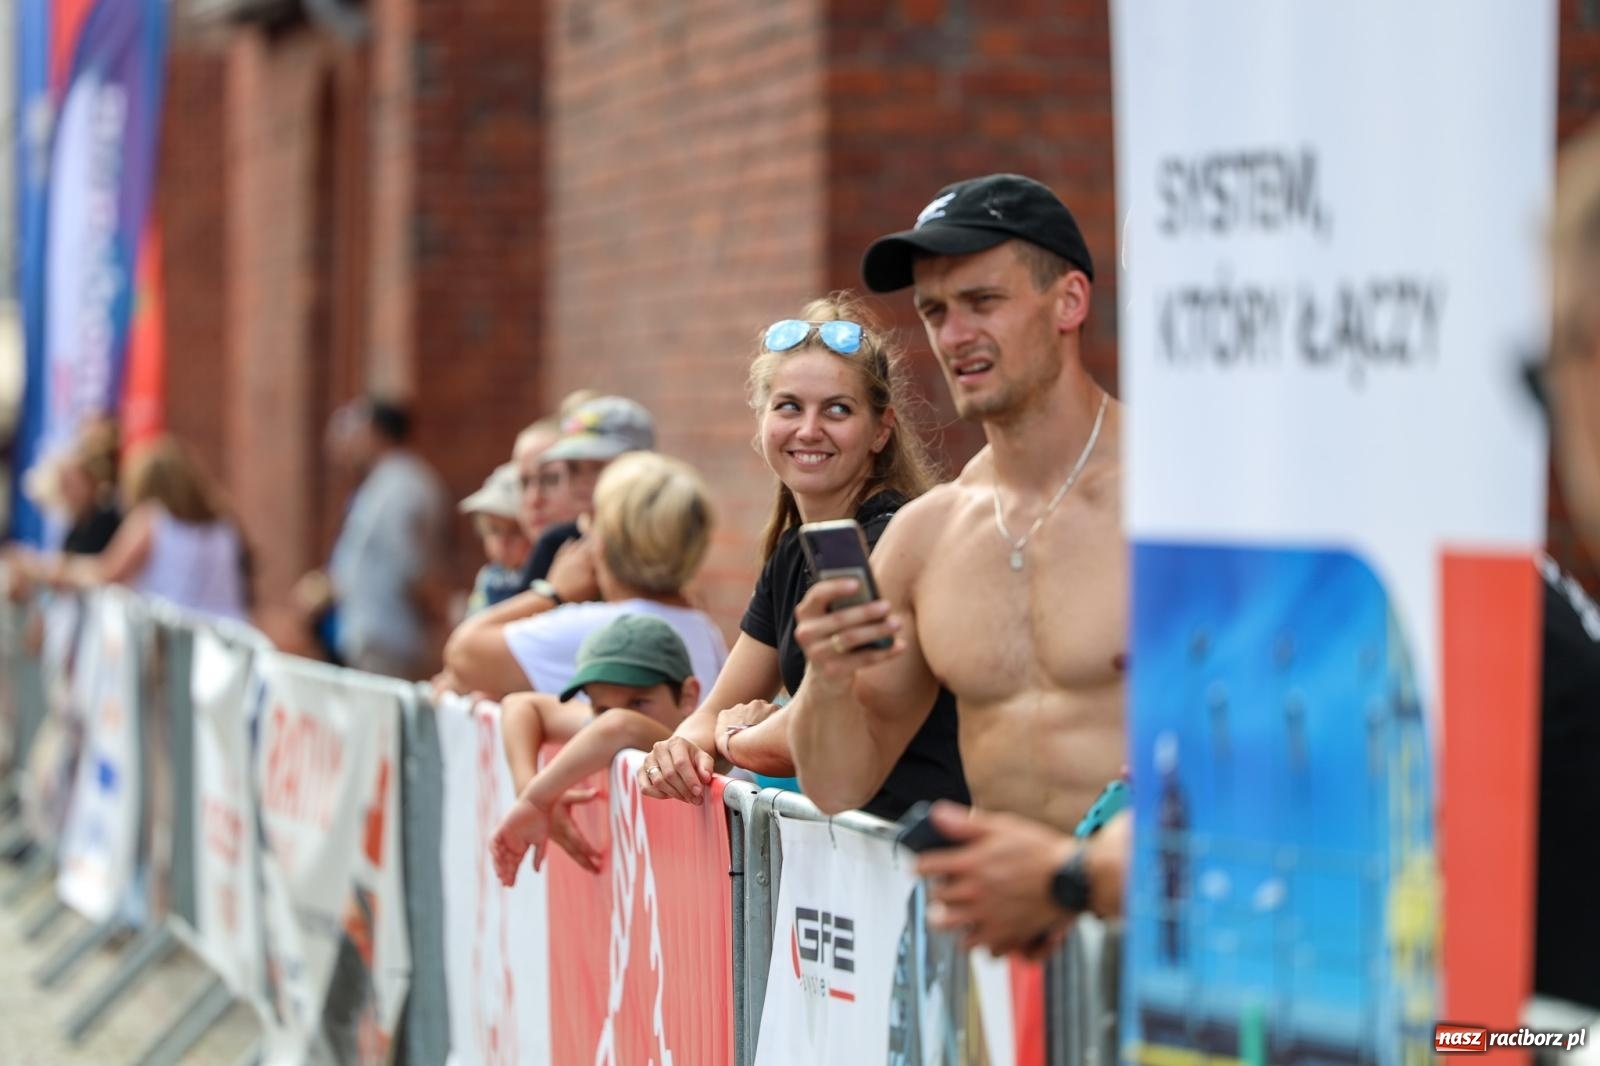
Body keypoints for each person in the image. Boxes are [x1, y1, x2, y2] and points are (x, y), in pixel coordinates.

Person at [783, 174, 1131, 954]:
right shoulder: (926, 535)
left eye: (983, 301)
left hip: (1161, 951)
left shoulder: (1172, 502)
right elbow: (838, 786)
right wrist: (828, 680)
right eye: (935, 311)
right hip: (1010, 971)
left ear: (1069, 302)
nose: (953, 334)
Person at [636, 293, 968, 820]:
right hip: (848, 870)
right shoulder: (794, 553)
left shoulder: (892, 540)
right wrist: (679, 748)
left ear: (880, 430)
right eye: (789, 406)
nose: (809, 430)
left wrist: (735, 737)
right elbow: (713, 712)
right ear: (763, 418)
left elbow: (810, 730)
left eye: (837, 410)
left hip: (924, 857)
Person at [441, 450, 727, 699]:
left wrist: (551, 593)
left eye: (593, 519)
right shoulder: (704, 628)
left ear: (603, 541)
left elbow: (462, 652)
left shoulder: (603, 627)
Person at [491, 613, 703, 879]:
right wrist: (528, 791)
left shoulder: (695, 742)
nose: (613, 714)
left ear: (687, 696)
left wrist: (537, 800)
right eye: (600, 707)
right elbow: (519, 705)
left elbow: (620, 725)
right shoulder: (602, 724)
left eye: (638, 702)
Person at [40, 435, 250, 622]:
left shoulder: (151, 519)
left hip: (176, 640)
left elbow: (107, 572)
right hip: (229, 636)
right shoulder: (224, 525)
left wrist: (52, 570)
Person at [313, 395, 449, 678]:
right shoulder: (380, 482)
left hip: (390, 636)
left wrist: (440, 622)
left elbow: (414, 567)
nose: (350, 439)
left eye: (357, 429)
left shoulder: (403, 486)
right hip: (368, 634)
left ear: (378, 433)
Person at [514, 394, 655, 595]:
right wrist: (553, 594)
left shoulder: (663, 538)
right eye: (574, 468)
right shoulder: (556, 543)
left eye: (597, 467)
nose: (583, 482)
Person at [459, 463, 533, 615]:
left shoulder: (545, 577)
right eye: (494, 530)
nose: (503, 542)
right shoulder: (489, 578)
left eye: (515, 531)